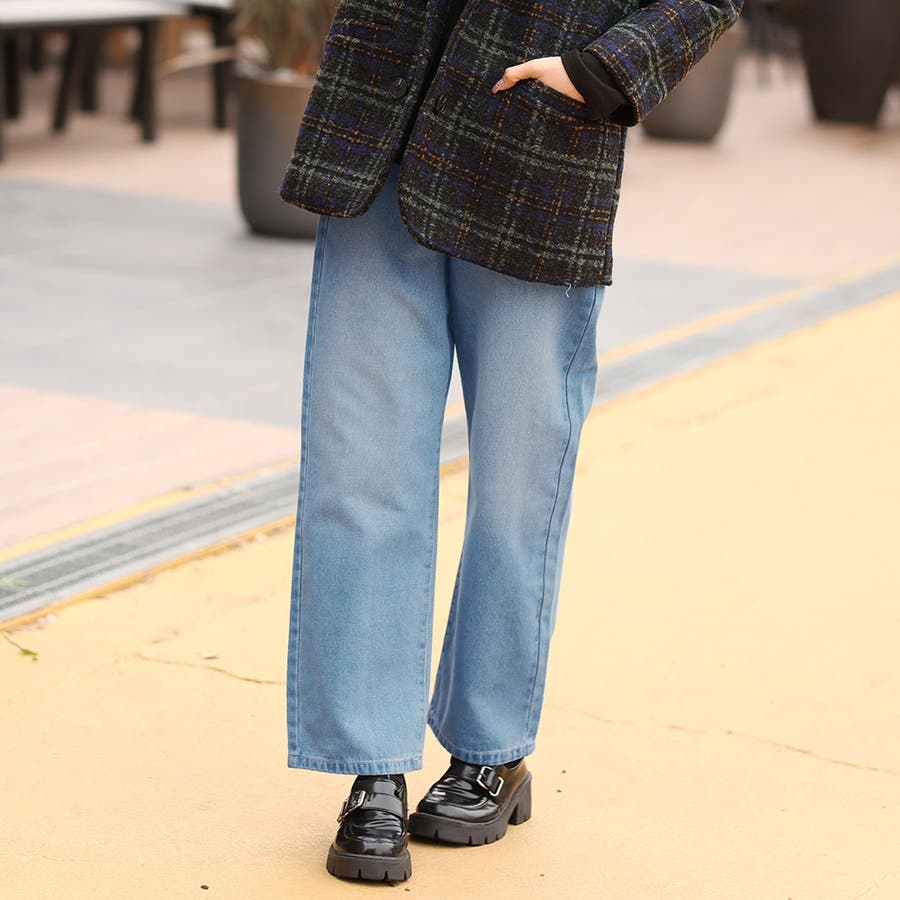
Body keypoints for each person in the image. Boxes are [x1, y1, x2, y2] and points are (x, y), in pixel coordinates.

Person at [279, 0, 744, 883]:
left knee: (518, 481)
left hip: (537, 142)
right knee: (359, 470)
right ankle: (373, 766)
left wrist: (602, 70)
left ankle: (490, 752)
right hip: (381, 122)